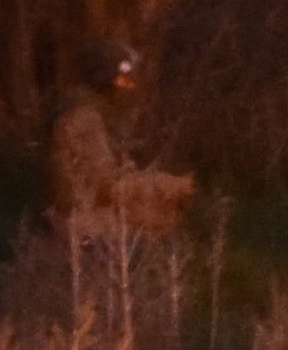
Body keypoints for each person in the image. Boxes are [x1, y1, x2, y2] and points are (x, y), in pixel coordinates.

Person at [46, 43, 194, 249]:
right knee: (163, 234)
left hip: (91, 211)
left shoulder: (98, 116)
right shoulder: (82, 119)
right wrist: (165, 188)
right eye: (123, 81)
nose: (131, 88)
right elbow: (107, 187)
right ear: (103, 83)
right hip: (79, 221)